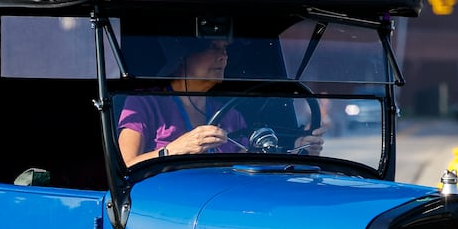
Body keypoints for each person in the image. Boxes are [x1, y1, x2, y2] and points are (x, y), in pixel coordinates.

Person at [117, 37, 322, 166]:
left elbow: (249, 162)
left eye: (225, 48)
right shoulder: (145, 102)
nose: (223, 56)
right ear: (183, 56)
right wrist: (174, 150)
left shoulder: (230, 114)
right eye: (213, 47)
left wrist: (297, 148)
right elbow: (126, 166)